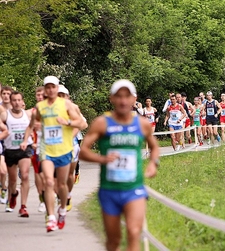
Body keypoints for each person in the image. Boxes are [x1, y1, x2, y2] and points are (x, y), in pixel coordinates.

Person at [79, 79, 159, 251]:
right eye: (119, 96)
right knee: (114, 241)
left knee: (133, 231)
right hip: (109, 190)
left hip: (134, 189)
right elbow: (83, 151)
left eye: (127, 96)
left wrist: (153, 164)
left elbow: (154, 147)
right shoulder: (102, 123)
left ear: (134, 99)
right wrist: (102, 159)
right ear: (112, 99)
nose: (123, 101)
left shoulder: (142, 124)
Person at [20, 76, 87, 232]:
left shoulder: (66, 105)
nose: (50, 90)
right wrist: (25, 140)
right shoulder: (41, 106)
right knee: (49, 182)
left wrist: (68, 123)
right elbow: (31, 125)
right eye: (47, 87)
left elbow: (82, 123)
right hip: (46, 150)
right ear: (45, 89)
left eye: (53, 87)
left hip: (64, 150)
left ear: (57, 88)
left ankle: (62, 209)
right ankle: (51, 218)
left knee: (62, 185)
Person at [1, 91, 33, 216]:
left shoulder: (28, 114)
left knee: (25, 175)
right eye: (14, 100)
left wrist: (29, 139)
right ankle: (13, 194)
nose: (17, 103)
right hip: (10, 149)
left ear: (22, 101)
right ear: (11, 101)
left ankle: (23, 206)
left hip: (25, 148)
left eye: (19, 100)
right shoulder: (5, 115)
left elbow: (35, 125)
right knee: (13, 180)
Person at [57, 85, 88, 212]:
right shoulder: (49, 107)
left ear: (68, 97)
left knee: (70, 174)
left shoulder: (73, 108)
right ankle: (58, 193)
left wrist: (69, 137)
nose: (61, 98)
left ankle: (67, 194)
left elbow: (82, 124)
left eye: (63, 95)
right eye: (59, 95)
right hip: (53, 145)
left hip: (71, 144)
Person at [0, 85, 13, 204]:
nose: (5, 96)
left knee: (11, 172)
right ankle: (3, 188)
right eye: (3, 93)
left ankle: (9, 194)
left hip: (13, 143)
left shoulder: (16, 107)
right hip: (1, 141)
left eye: (8, 94)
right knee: (3, 171)